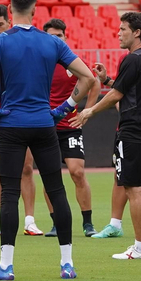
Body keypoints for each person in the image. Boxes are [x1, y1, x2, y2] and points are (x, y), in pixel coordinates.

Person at [0, 0, 97, 280]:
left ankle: (5, 265)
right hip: (44, 124)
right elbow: (88, 77)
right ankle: (67, 264)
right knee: (57, 191)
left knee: (10, 193)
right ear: (35, 10)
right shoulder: (51, 42)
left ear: (10, 11)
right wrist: (66, 108)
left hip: (11, 126)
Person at [71, 11, 141, 260]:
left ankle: (140, 247)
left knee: (133, 189)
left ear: (137, 32)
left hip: (133, 132)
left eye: (123, 29)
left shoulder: (132, 59)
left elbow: (118, 95)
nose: (118, 33)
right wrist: (108, 79)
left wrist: (90, 111)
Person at [0, 2, 41, 234]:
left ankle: (29, 220)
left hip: (20, 116)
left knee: (26, 168)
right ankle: (5, 218)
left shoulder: (21, 47)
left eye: (0, 24)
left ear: (10, 21)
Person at [41, 16, 96, 237]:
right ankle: (56, 223)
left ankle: (88, 222)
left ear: (66, 37)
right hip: (45, 126)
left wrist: (87, 112)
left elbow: (93, 83)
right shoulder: (40, 62)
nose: (56, 39)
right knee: (50, 174)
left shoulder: (71, 61)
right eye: (51, 36)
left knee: (77, 172)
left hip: (70, 125)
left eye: (59, 36)